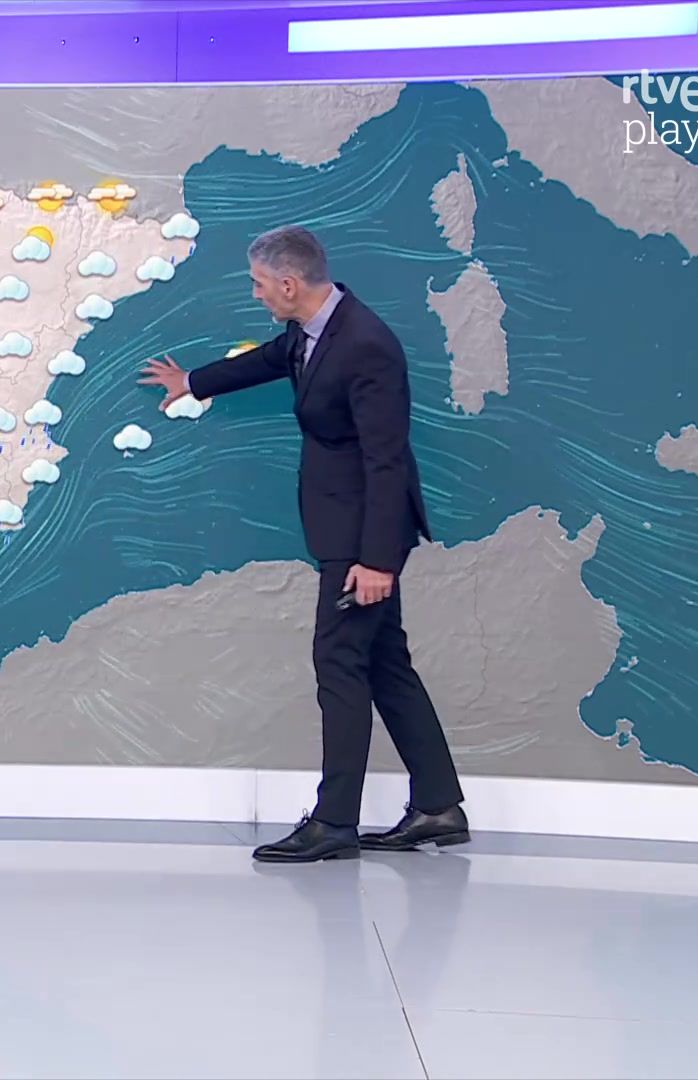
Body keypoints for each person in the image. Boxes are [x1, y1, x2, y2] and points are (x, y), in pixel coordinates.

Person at [138, 225, 468, 863]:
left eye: (260, 284)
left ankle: (334, 822)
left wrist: (376, 561)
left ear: (289, 284)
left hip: (361, 538)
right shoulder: (312, 330)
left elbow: (386, 460)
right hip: (344, 529)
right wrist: (193, 382)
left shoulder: (366, 346)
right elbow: (269, 359)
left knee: (338, 666)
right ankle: (437, 806)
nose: (256, 293)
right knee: (386, 665)